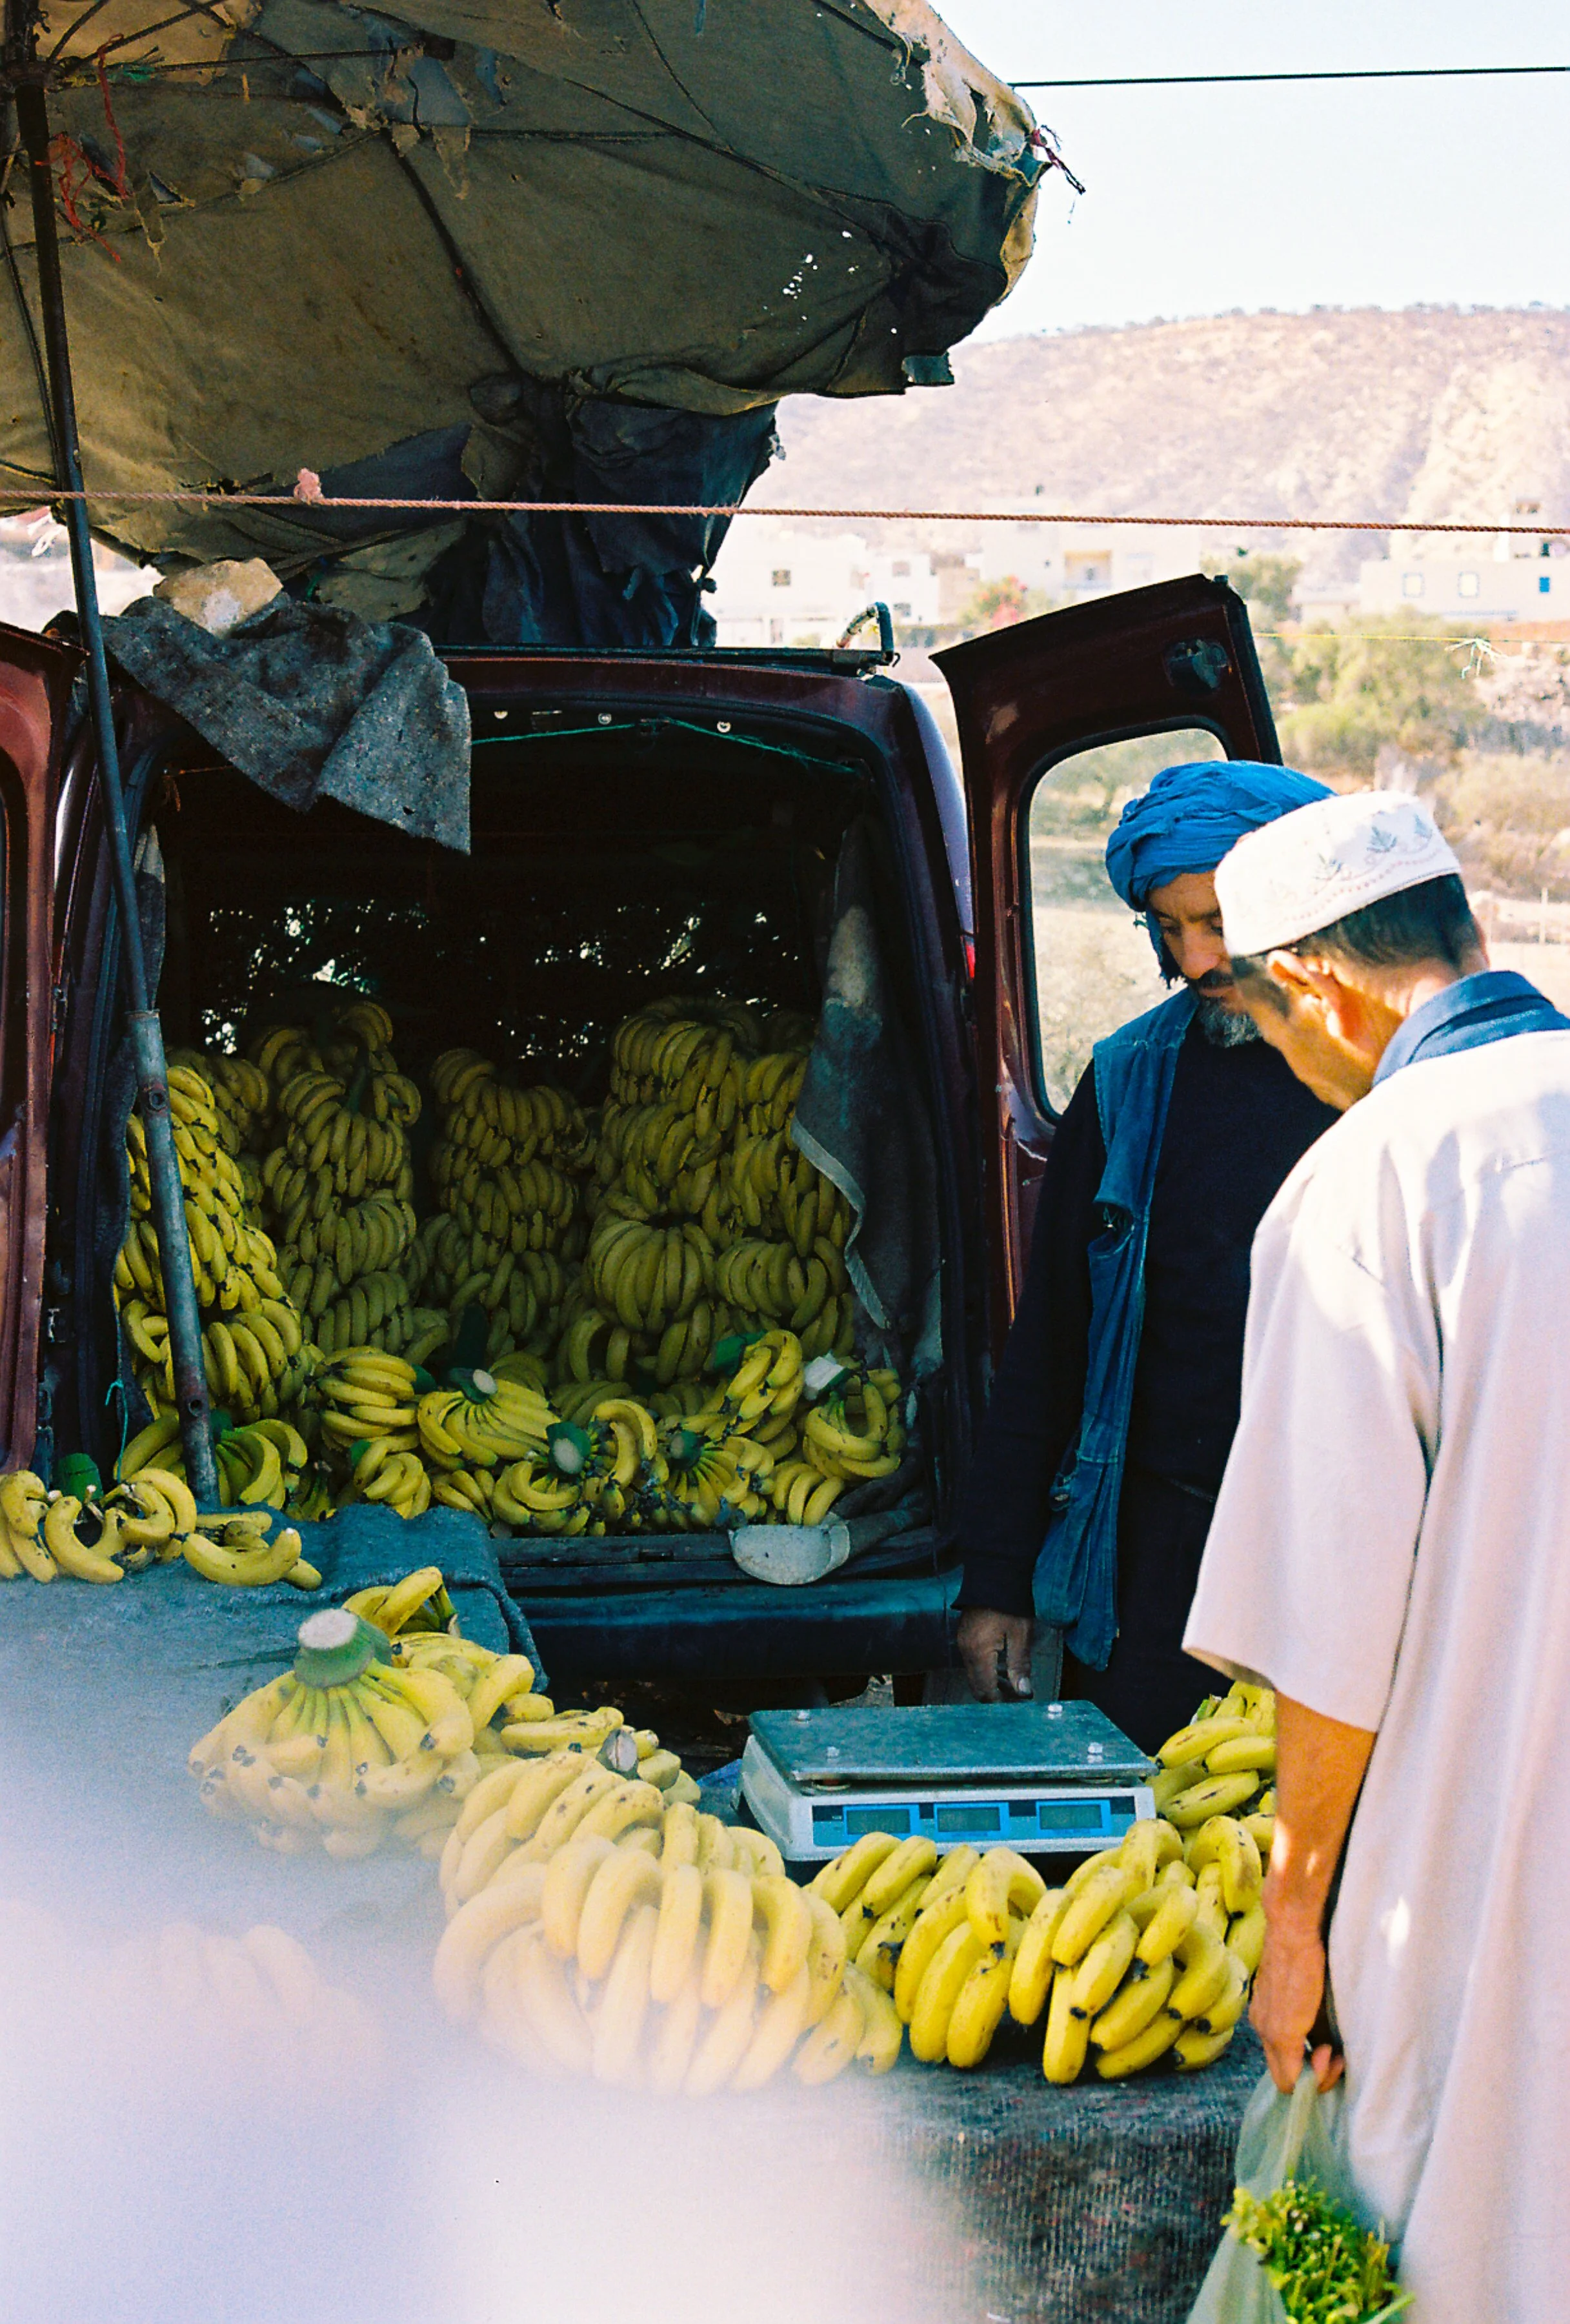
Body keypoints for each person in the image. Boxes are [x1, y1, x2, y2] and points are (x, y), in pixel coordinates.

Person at [1184, 789, 1570, 2323]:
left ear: (1321, 989)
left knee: (1469, 2242)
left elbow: (1329, 1622)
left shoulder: (1369, 1184)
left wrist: (1297, 1919)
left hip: (1474, 1869)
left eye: (1266, 1026)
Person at [953, 760, 1336, 1752]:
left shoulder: (1388, 1081)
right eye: (1168, 928)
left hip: (1346, 1551)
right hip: (1158, 1553)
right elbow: (1051, 1344)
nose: (1197, 958)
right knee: (1137, 1859)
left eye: (1217, 922)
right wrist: (998, 1581)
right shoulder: (1131, 1082)